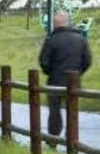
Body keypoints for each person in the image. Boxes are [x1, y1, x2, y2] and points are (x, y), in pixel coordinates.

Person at [38, 9, 92, 139]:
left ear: (55, 24)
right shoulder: (81, 39)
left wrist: (51, 72)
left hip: (55, 81)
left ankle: (53, 139)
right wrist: (78, 73)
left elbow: (44, 61)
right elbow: (87, 60)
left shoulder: (51, 40)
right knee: (72, 112)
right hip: (74, 81)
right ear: (69, 22)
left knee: (54, 112)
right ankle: (72, 139)